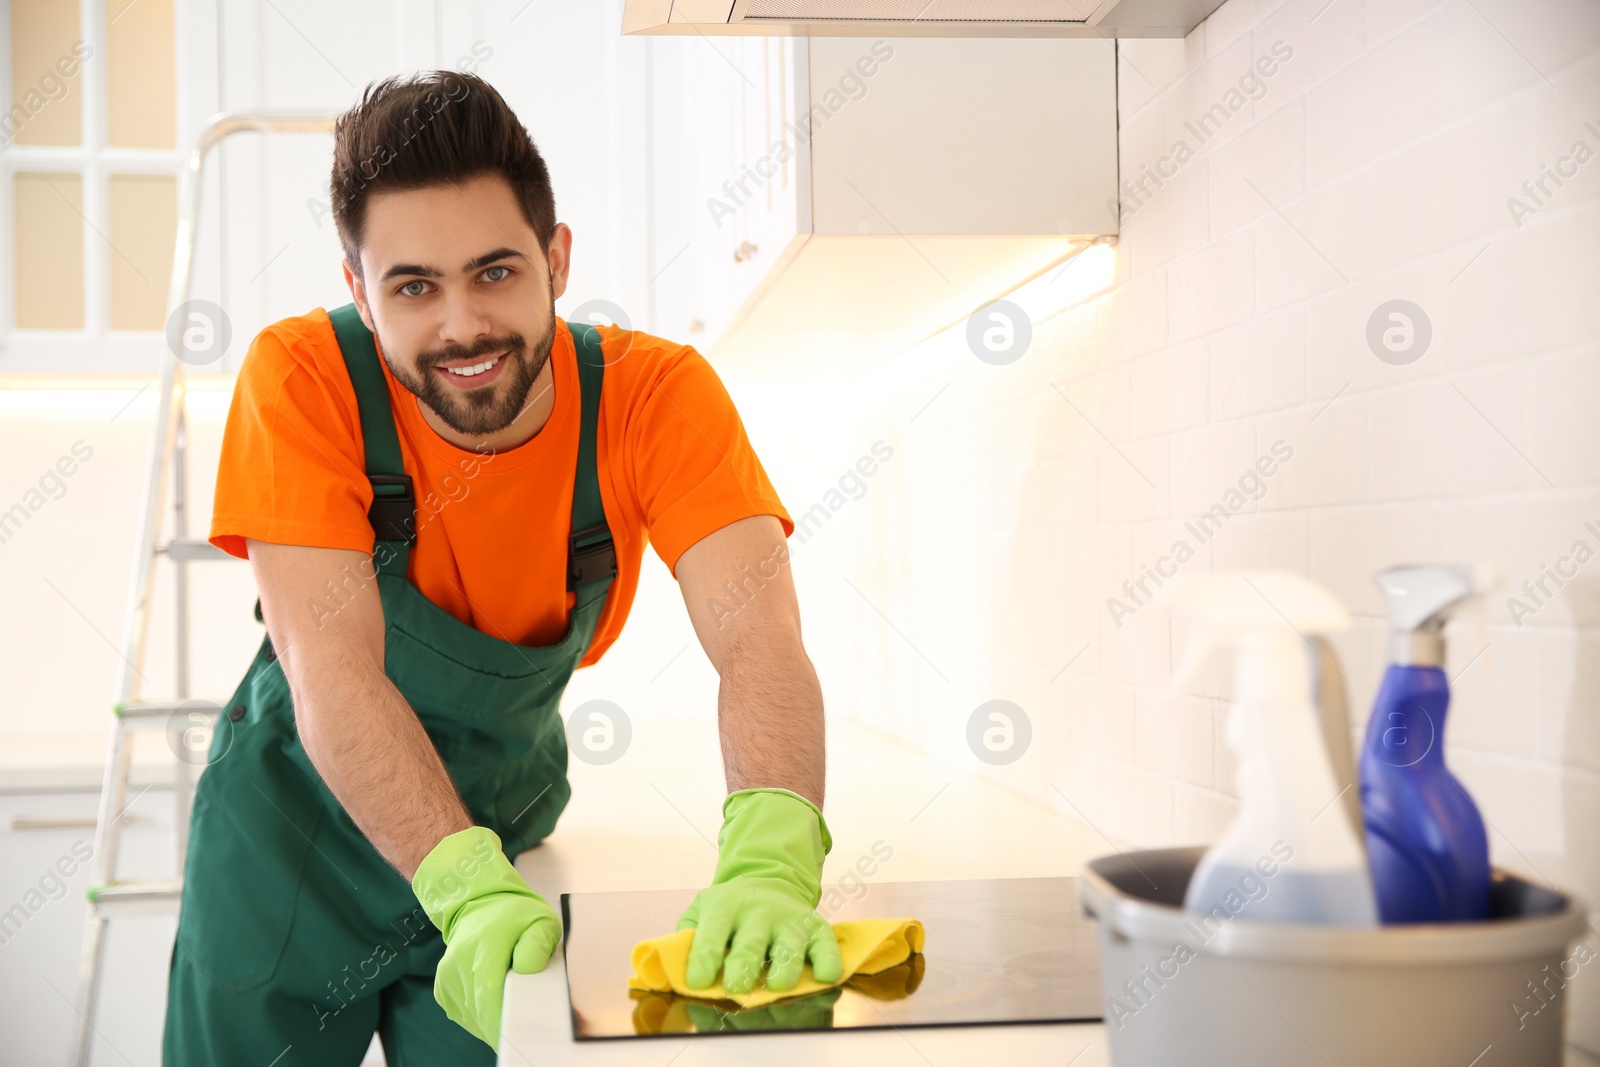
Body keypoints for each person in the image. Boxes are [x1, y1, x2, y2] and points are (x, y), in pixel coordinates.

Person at [163, 68, 840, 1065]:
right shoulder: (303, 380)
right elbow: (331, 671)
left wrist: (774, 850)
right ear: (358, 287)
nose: (463, 327)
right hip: (289, 853)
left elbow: (759, 638)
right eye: (413, 286)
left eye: (494, 272)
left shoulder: (653, 398)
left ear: (555, 259)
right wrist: (458, 885)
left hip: (503, 847)